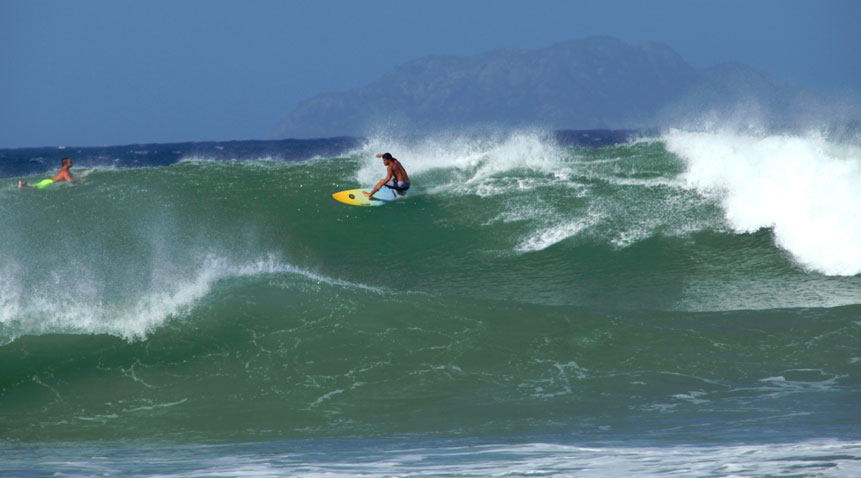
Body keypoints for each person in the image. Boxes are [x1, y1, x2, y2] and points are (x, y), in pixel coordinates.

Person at [18, 157, 86, 189]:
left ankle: (22, 184)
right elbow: (70, 180)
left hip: (47, 181)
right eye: (70, 162)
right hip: (49, 182)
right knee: (35, 188)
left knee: (34, 186)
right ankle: (23, 184)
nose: (71, 163)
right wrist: (80, 180)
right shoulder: (65, 171)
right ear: (66, 164)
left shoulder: (63, 170)